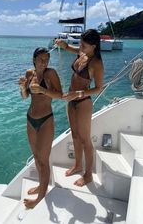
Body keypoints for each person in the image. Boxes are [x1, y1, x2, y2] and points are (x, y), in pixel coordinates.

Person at [55, 29, 104, 187]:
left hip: (83, 103)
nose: (80, 47)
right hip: (72, 100)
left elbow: (98, 88)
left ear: (94, 46)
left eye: (83, 45)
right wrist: (63, 45)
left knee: (85, 139)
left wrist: (79, 93)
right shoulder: (82, 53)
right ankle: (78, 165)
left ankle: (88, 174)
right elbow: (70, 48)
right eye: (80, 44)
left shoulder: (96, 63)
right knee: (75, 136)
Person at [18, 47, 62, 208]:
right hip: (30, 119)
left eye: (47, 59)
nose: (44, 63)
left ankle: (40, 197)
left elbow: (60, 95)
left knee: (43, 161)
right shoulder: (29, 74)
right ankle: (40, 185)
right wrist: (23, 88)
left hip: (45, 120)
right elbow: (24, 97)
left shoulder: (51, 74)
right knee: (36, 158)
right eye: (41, 59)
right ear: (34, 60)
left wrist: (43, 89)